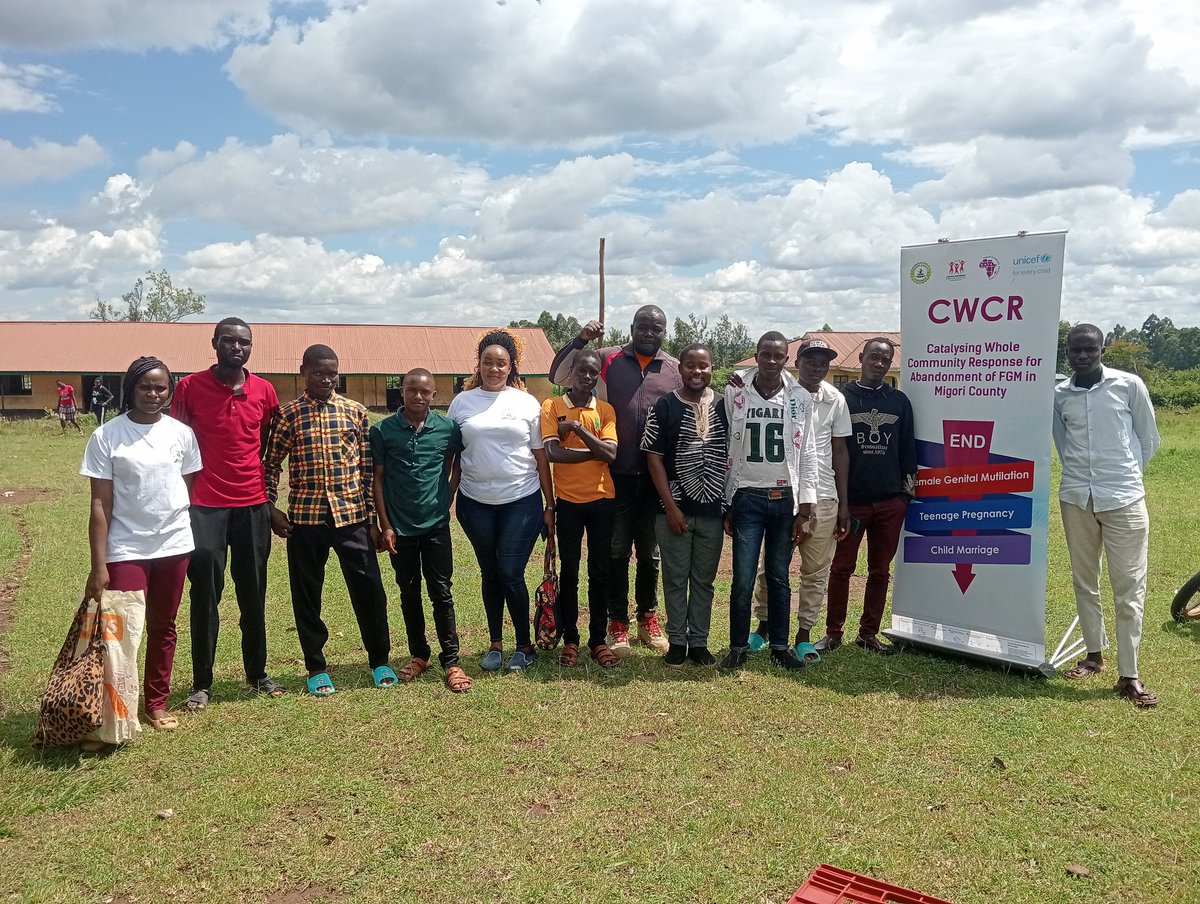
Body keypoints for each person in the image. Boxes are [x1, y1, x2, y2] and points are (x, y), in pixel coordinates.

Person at [80, 356, 202, 746]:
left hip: (174, 544)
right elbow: (100, 504)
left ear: (170, 390)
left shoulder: (181, 434)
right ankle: (116, 710)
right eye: (145, 387)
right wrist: (98, 564)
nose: (153, 394)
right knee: (120, 632)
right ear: (130, 389)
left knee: (164, 626)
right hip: (125, 548)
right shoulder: (107, 436)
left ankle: (156, 702)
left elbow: (183, 486)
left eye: (161, 387)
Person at [549, 306, 681, 657]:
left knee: (651, 554)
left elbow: (694, 398)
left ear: (664, 332)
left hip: (655, 475)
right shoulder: (607, 358)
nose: (649, 334)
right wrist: (581, 340)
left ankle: (648, 618)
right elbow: (557, 373)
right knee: (616, 552)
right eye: (642, 327)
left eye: (656, 329)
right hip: (615, 475)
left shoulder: (672, 369)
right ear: (632, 328)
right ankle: (617, 622)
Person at [264, 345, 395, 696]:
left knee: (369, 590)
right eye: (318, 372)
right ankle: (316, 666)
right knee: (307, 594)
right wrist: (270, 507)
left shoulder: (355, 412)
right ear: (303, 370)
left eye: (332, 372)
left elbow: (367, 468)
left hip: (351, 515)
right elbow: (271, 464)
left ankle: (380, 660)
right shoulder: (289, 415)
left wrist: (371, 518)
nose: (326, 378)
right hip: (306, 520)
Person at [170, 317, 283, 709]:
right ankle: (202, 682)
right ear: (214, 343)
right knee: (205, 595)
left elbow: (269, 448)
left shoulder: (264, 391)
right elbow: (176, 444)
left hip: (251, 506)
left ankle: (257, 673)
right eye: (230, 341)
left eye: (245, 343)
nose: (237, 348)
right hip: (204, 508)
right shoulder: (189, 387)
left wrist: (269, 499)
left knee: (253, 592)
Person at [1053, 323, 1160, 707]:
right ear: (1068, 353)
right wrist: (1084, 477)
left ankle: (1129, 675)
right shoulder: (1060, 394)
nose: (1082, 356)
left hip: (1125, 500)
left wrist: (1123, 477)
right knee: (1085, 582)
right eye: (1075, 350)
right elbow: (1062, 443)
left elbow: (1148, 438)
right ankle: (1094, 655)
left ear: (1102, 349)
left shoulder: (1128, 385)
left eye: (1090, 349)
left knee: (1129, 590)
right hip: (1077, 498)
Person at [449, 329, 555, 673]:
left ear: (512, 367)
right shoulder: (462, 403)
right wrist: (445, 499)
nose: (494, 369)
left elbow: (541, 458)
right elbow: (452, 456)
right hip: (475, 504)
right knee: (490, 572)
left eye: (501, 363)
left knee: (510, 571)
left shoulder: (526, 403)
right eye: (487, 362)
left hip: (520, 502)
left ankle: (524, 646)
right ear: (478, 365)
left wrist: (549, 505)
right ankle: (495, 644)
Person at [748, 338, 851, 662]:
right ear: (798, 361)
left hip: (824, 496)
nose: (817, 368)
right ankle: (762, 627)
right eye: (811, 361)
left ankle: (804, 635)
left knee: (815, 572)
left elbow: (840, 452)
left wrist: (844, 504)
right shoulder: (782, 394)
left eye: (823, 363)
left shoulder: (834, 399)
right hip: (785, 494)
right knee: (772, 567)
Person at [721, 331, 817, 672]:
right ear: (757, 355)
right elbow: (727, 447)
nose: (772, 361)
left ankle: (779, 646)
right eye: (766, 354)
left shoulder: (800, 397)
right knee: (743, 578)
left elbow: (807, 453)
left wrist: (805, 509)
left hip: (784, 498)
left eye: (778, 355)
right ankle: (737, 647)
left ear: (787, 359)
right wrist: (728, 502)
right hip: (747, 496)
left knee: (778, 576)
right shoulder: (735, 391)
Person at [372, 368, 471, 693]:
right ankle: (420, 654)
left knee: (442, 592)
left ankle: (452, 660)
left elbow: (454, 462)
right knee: (409, 592)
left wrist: (448, 494)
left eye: (424, 391)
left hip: (436, 524)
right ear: (401, 392)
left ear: (434, 395)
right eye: (411, 390)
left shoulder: (447, 428)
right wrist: (385, 525)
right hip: (399, 528)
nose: (418, 396)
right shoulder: (384, 431)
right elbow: (378, 480)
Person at [817, 337, 916, 656]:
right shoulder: (842, 398)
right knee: (841, 568)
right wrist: (839, 499)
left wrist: (905, 496)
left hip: (890, 501)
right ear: (861, 358)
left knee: (879, 571)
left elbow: (907, 449)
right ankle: (833, 633)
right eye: (873, 357)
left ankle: (868, 633)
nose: (879, 363)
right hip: (853, 502)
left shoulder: (899, 400)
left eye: (885, 359)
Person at [642, 343, 728, 668]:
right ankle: (677, 641)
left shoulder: (724, 406)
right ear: (680, 369)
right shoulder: (664, 406)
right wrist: (670, 506)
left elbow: (733, 458)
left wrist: (728, 507)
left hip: (712, 511)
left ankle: (700, 643)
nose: (697, 371)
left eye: (703, 366)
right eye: (690, 365)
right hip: (673, 511)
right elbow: (653, 457)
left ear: (711, 367)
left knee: (704, 580)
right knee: (676, 578)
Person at [540, 348, 620, 669]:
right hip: (568, 504)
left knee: (600, 573)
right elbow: (553, 454)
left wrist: (576, 429)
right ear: (570, 372)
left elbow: (611, 454)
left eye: (593, 373)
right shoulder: (552, 406)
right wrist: (595, 451)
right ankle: (570, 639)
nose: (587, 377)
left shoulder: (606, 410)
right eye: (582, 371)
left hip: (602, 500)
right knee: (570, 573)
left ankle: (598, 641)